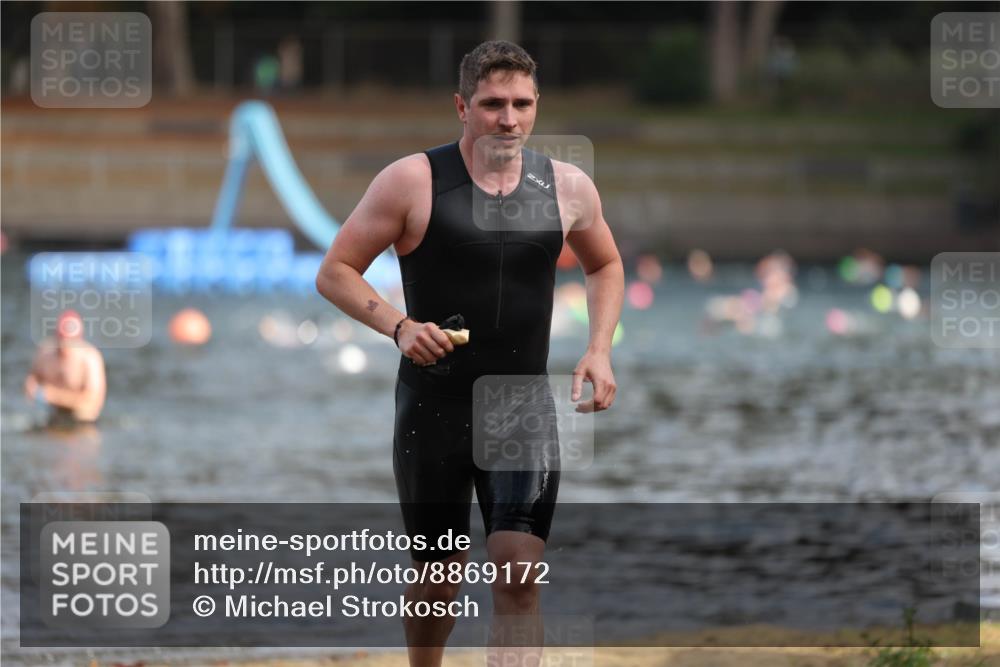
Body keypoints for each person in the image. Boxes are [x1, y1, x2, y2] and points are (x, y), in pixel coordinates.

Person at [316, 40, 623, 667]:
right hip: (433, 408)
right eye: (491, 104)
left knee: (517, 572)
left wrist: (598, 348)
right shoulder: (412, 181)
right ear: (462, 106)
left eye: (521, 104)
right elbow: (336, 271)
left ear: (537, 106)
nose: (507, 119)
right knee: (438, 581)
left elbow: (607, 264)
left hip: (520, 409)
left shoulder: (567, 186)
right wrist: (400, 327)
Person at [24, 310, 106, 425]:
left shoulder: (90, 358)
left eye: (70, 341)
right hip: (53, 414)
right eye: (62, 340)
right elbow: (33, 377)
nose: (65, 345)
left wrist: (54, 396)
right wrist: (31, 387)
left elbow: (92, 401)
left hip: (82, 421)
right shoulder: (45, 351)